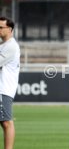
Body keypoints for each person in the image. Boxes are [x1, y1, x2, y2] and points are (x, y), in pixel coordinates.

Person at [0, 17, 20, 149]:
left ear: (10, 29)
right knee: (5, 122)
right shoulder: (4, 45)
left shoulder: (11, 46)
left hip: (3, 89)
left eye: (1, 27)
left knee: (7, 122)